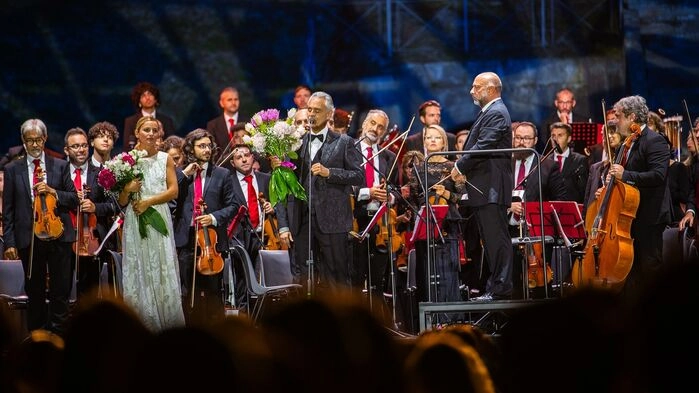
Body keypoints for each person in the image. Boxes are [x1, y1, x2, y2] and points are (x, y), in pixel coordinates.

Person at [276, 91, 364, 294]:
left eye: (317, 110)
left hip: (333, 220)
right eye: (310, 110)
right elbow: (287, 183)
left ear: (329, 114)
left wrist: (330, 172)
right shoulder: (296, 143)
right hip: (303, 219)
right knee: (304, 276)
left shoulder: (344, 142)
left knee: (337, 276)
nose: (311, 114)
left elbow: (358, 176)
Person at [3, 119, 78, 334]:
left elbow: (73, 198)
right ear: (23, 141)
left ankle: (59, 337)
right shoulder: (11, 169)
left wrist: (54, 192)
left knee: (60, 291)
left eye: (38, 140)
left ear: (45, 139)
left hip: (58, 236)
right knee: (34, 291)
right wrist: (10, 242)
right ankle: (36, 337)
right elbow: (8, 211)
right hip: (29, 238)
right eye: (30, 141)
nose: (35, 145)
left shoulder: (61, 165)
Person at [451, 72, 513, 301]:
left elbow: (484, 145)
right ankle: (496, 287)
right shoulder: (490, 111)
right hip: (485, 187)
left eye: (476, 87)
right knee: (492, 239)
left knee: (496, 239)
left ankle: (500, 288)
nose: (471, 91)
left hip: (491, 188)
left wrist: (460, 165)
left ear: (491, 89)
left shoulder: (496, 112)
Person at [119, 116, 185, 331]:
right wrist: (127, 189)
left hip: (158, 215)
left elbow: (173, 191)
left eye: (154, 130)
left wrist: (149, 201)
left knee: (161, 265)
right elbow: (121, 201)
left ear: (159, 134)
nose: (150, 133)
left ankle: (167, 323)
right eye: (146, 130)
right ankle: (140, 322)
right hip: (135, 217)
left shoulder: (165, 158)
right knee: (139, 266)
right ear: (137, 133)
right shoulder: (127, 159)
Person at [604, 95, 671, 301]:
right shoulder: (627, 143)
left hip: (649, 217)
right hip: (629, 216)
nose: (615, 121)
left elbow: (658, 175)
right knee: (631, 274)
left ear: (632, 117)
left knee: (649, 270)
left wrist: (625, 175)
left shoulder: (655, 140)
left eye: (619, 116)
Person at [173, 129, 240, 326]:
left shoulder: (223, 174)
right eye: (201, 146)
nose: (207, 149)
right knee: (187, 292)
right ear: (191, 149)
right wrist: (184, 175)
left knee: (213, 293)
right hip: (186, 239)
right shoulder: (180, 173)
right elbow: (170, 195)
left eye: (209, 145)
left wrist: (212, 217)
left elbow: (233, 205)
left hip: (212, 241)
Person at [406, 125, 464, 310]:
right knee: (428, 271)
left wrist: (446, 193)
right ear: (424, 142)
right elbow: (414, 199)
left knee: (449, 269)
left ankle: (452, 317)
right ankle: (431, 317)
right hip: (426, 223)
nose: (432, 140)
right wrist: (421, 214)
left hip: (449, 222)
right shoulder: (417, 168)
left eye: (436, 137)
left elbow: (460, 196)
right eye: (428, 137)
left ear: (443, 142)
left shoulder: (453, 167)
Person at [508, 122, 568, 298]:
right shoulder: (503, 164)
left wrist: (533, 208)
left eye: (526, 138)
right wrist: (508, 205)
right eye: (518, 137)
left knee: (540, 286)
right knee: (513, 284)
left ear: (535, 141)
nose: (521, 142)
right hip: (509, 230)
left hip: (537, 236)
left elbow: (560, 201)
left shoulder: (548, 166)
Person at [64, 127, 120, 300]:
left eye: (83, 146)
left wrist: (95, 207)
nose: (81, 150)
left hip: (92, 239)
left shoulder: (102, 174)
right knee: (62, 291)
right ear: (66, 150)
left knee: (90, 293)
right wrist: (72, 199)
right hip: (65, 238)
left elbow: (115, 206)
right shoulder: (58, 171)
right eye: (75, 147)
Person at [350, 109, 397, 302]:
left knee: (377, 279)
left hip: (381, 224)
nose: (376, 129)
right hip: (354, 219)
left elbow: (397, 190)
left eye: (381, 127)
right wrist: (367, 192)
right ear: (363, 124)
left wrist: (390, 197)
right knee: (355, 278)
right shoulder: (348, 150)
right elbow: (341, 185)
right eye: (372, 124)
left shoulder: (389, 157)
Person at [227, 143, 282, 309]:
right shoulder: (228, 181)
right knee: (242, 280)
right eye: (238, 157)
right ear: (232, 163)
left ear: (253, 157)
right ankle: (244, 318)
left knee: (263, 278)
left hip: (263, 235)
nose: (244, 159)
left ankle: (262, 317)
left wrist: (273, 207)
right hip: (239, 237)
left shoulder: (265, 178)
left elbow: (280, 202)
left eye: (247, 155)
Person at [122, 81, 176, 152]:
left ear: (156, 99)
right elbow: (127, 147)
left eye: (150, 94)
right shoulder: (130, 121)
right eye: (143, 95)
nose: (147, 98)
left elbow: (173, 145)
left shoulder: (167, 121)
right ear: (139, 101)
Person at [538, 87, 591, 153]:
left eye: (568, 102)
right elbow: (548, 146)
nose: (565, 106)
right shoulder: (546, 123)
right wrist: (563, 125)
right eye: (561, 102)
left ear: (573, 103)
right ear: (556, 103)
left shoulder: (583, 121)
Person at [549, 122, 590, 203]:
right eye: (553, 136)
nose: (555, 139)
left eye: (560, 135)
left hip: (571, 209)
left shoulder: (580, 160)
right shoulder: (545, 161)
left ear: (569, 139)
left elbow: (584, 190)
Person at [206, 86, 245, 160]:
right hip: (222, 167)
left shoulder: (247, 123)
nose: (233, 103)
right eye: (229, 100)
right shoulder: (212, 125)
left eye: (236, 99)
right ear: (221, 103)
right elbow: (212, 150)